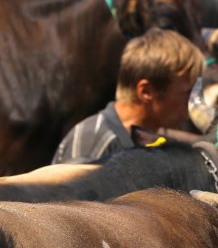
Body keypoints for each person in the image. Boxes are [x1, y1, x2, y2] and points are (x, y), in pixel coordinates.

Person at [52, 29, 204, 164]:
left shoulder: (146, 139)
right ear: (146, 92)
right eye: (187, 93)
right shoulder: (94, 144)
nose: (191, 102)